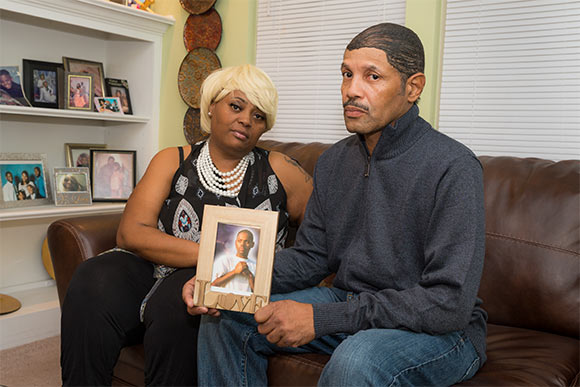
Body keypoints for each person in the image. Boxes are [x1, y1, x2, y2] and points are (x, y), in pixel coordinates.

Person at [184, 23, 487, 386]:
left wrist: (323, 319)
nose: (351, 90)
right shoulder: (333, 162)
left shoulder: (453, 167)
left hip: (440, 330)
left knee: (356, 360)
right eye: (346, 74)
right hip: (351, 301)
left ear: (413, 87)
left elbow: (447, 303)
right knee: (226, 317)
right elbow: (312, 256)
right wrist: (216, 279)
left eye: (372, 76)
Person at [59, 64, 313, 386]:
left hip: (214, 281)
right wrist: (212, 252)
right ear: (211, 107)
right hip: (150, 265)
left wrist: (266, 272)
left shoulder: (281, 170)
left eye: (258, 116)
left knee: (181, 309)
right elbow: (131, 231)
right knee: (90, 279)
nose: (246, 120)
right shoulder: (172, 159)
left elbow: (322, 232)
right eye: (236, 106)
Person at [211, 229, 256, 294]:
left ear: (252, 244)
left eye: (247, 242)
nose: (242, 244)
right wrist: (234, 272)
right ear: (235, 242)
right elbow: (213, 285)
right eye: (239, 241)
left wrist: (250, 276)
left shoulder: (255, 265)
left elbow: (258, 294)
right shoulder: (225, 260)